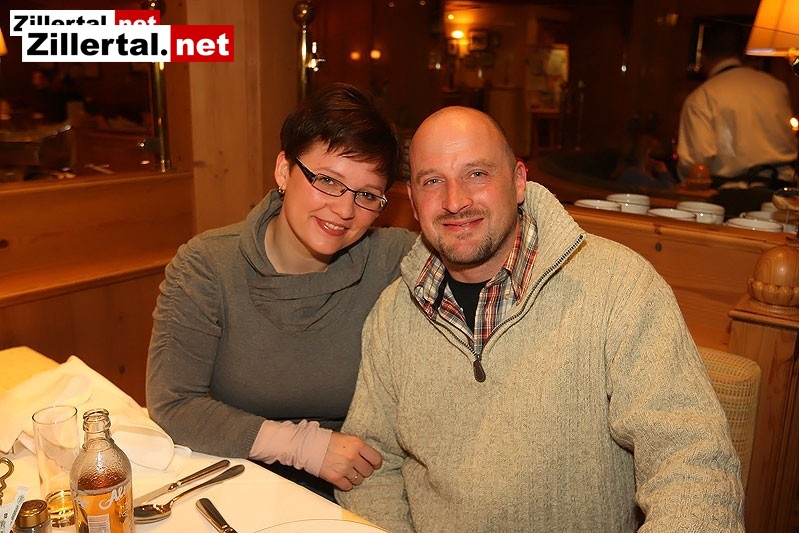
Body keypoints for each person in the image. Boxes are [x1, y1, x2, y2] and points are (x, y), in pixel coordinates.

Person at [336, 106, 744, 531]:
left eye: (477, 174)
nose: (455, 201)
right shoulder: (394, 312)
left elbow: (692, 464)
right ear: (413, 201)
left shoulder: (619, 287)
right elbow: (370, 468)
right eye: (432, 181)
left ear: (518, 181)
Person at [146, 83, 416, 499]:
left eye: (366, 195)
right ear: (283, 170)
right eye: (327, 180)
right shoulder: (207, 266)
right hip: (242, 477)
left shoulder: (392, 259)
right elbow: (174, 404)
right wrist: (304, 447)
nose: (344, 210)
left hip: (359, 485)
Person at [676, 23, 797, 189]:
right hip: (782, 192)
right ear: (742, 53)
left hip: (730, 194)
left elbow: (696, 163)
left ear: (702, 56)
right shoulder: (776, 87)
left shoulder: (702, 96)